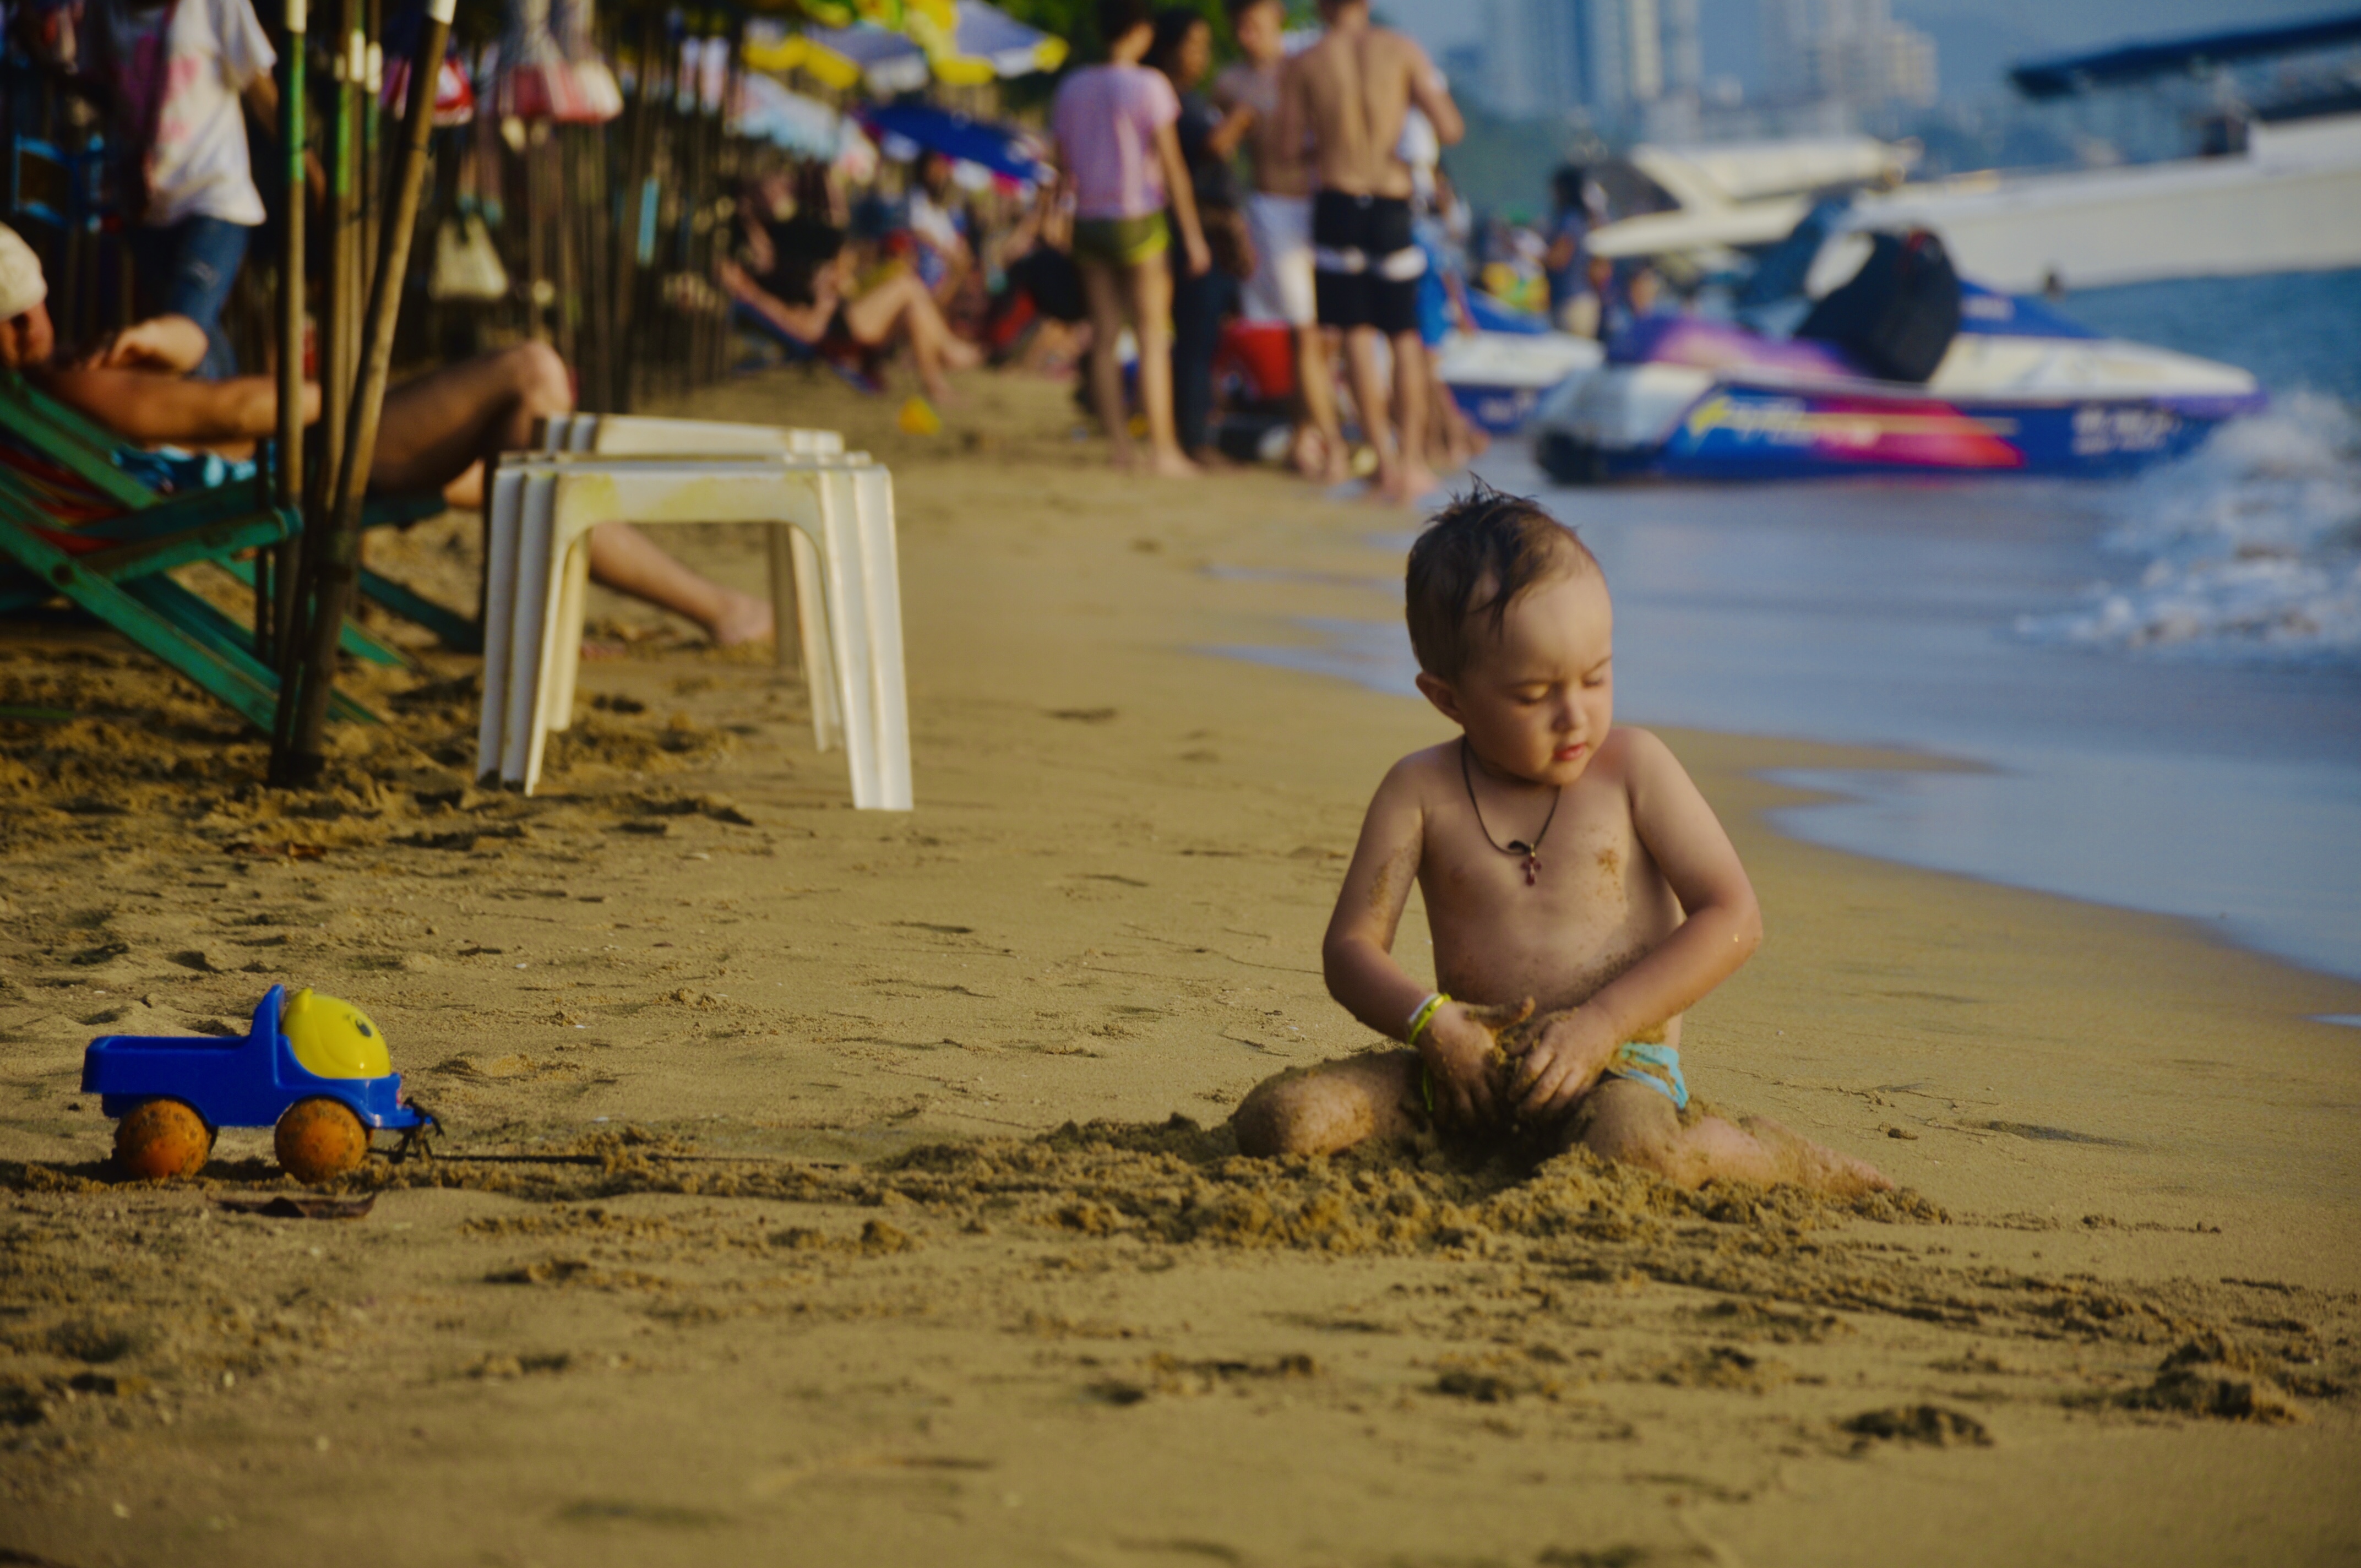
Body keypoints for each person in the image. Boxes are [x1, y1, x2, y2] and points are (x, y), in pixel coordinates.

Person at [1231, 487, 1892, 1197]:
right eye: (1533, 694)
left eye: (1596, 676)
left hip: (1617, 1068)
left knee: (1636, 1158)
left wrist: (1601, 1024)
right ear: (1448, 698)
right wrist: (1434, 1026)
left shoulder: (1634, 769)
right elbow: (1351, 949)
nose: (1575, 714)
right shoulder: (1419, 791)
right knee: (1285, 1121)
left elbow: (1734, 917)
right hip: (1470, 1071)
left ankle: (1776, 1157)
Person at [0, 222, 773, 647]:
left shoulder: (31, 413)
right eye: (26, 312)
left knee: (517, 447)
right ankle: (556, 635)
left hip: (231, 483)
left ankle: (698, 609)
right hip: (282, 475)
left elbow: (197, 432)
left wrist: (170, 347)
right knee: (529, 370)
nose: (44, 322)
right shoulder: (55, 386)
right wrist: (362, 398)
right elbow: (234, 413)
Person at [1279, 0, 1463, 504]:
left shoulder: (1306, 61)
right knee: (1403, 334)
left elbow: (1289, 146)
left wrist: (1332, 143)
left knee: (1356, 331)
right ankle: (1412, 461)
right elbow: (1448, 127)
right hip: (1391, 200)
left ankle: (1382, 460)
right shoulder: (1402, 49)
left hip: (1338, 199)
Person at [1049, 0, 1211, 478]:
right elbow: (1173, 167)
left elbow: (1062, 165)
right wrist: (1194, 236)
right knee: (1151, 335)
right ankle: (1162, 450)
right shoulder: (1150, 85)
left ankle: (1121, 447)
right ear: (1141, 31)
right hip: (1138, 217)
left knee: (1102, 335)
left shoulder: (1073, 86)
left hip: (1090, 218)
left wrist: (1056, 219)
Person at [82, 0, 282, 379]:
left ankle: (224, 430)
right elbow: (100, 85)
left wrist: (311, 174)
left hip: (214, 196)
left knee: (181, 327)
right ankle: (233, 428)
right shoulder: (103, 9)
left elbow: (262, 93)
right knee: (192, 339)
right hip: (146, 207)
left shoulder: (217, 5)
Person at [1215, 0, 1348, 481]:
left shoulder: (1304, 68)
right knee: (1304, 331)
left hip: (1320, 206)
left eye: (1257, 25)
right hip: (1272, 207)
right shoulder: (1232, 82)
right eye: (1240, 27)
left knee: (1325, 335)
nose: (1249, 36)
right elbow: (1219, 154)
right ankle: (1327, 442)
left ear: (1277, 19)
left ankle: (1304, 431)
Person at [720, 210, 980, 404]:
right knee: (907, 286)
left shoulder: (776, 272)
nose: (763, 247)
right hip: (836, 332)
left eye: (762, 240)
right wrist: (822, 302)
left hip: (844, 322)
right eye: (756, 245)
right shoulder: (759, 292)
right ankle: (947, 357)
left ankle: (940, 376)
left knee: (912, 306)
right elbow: (807, 331)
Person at [1150, 6, 1249, 464]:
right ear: (1169, 49)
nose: (1201, 56)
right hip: (1194, 233)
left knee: (1198, 337)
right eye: (1193, 46)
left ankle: (1194, 431)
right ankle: (1193, 439)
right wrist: (1247, 115)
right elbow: (1211, 146)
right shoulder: (1173, 100)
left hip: (1205, 232)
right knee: (1194, 336)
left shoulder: (1187, 98)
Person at [1543, 164, 1600, 337]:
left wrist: (1531, 255)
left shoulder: (1569, 218)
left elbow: (1559, 259)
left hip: (1571, 303)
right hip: (1583, 300)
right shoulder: (1583, 219)